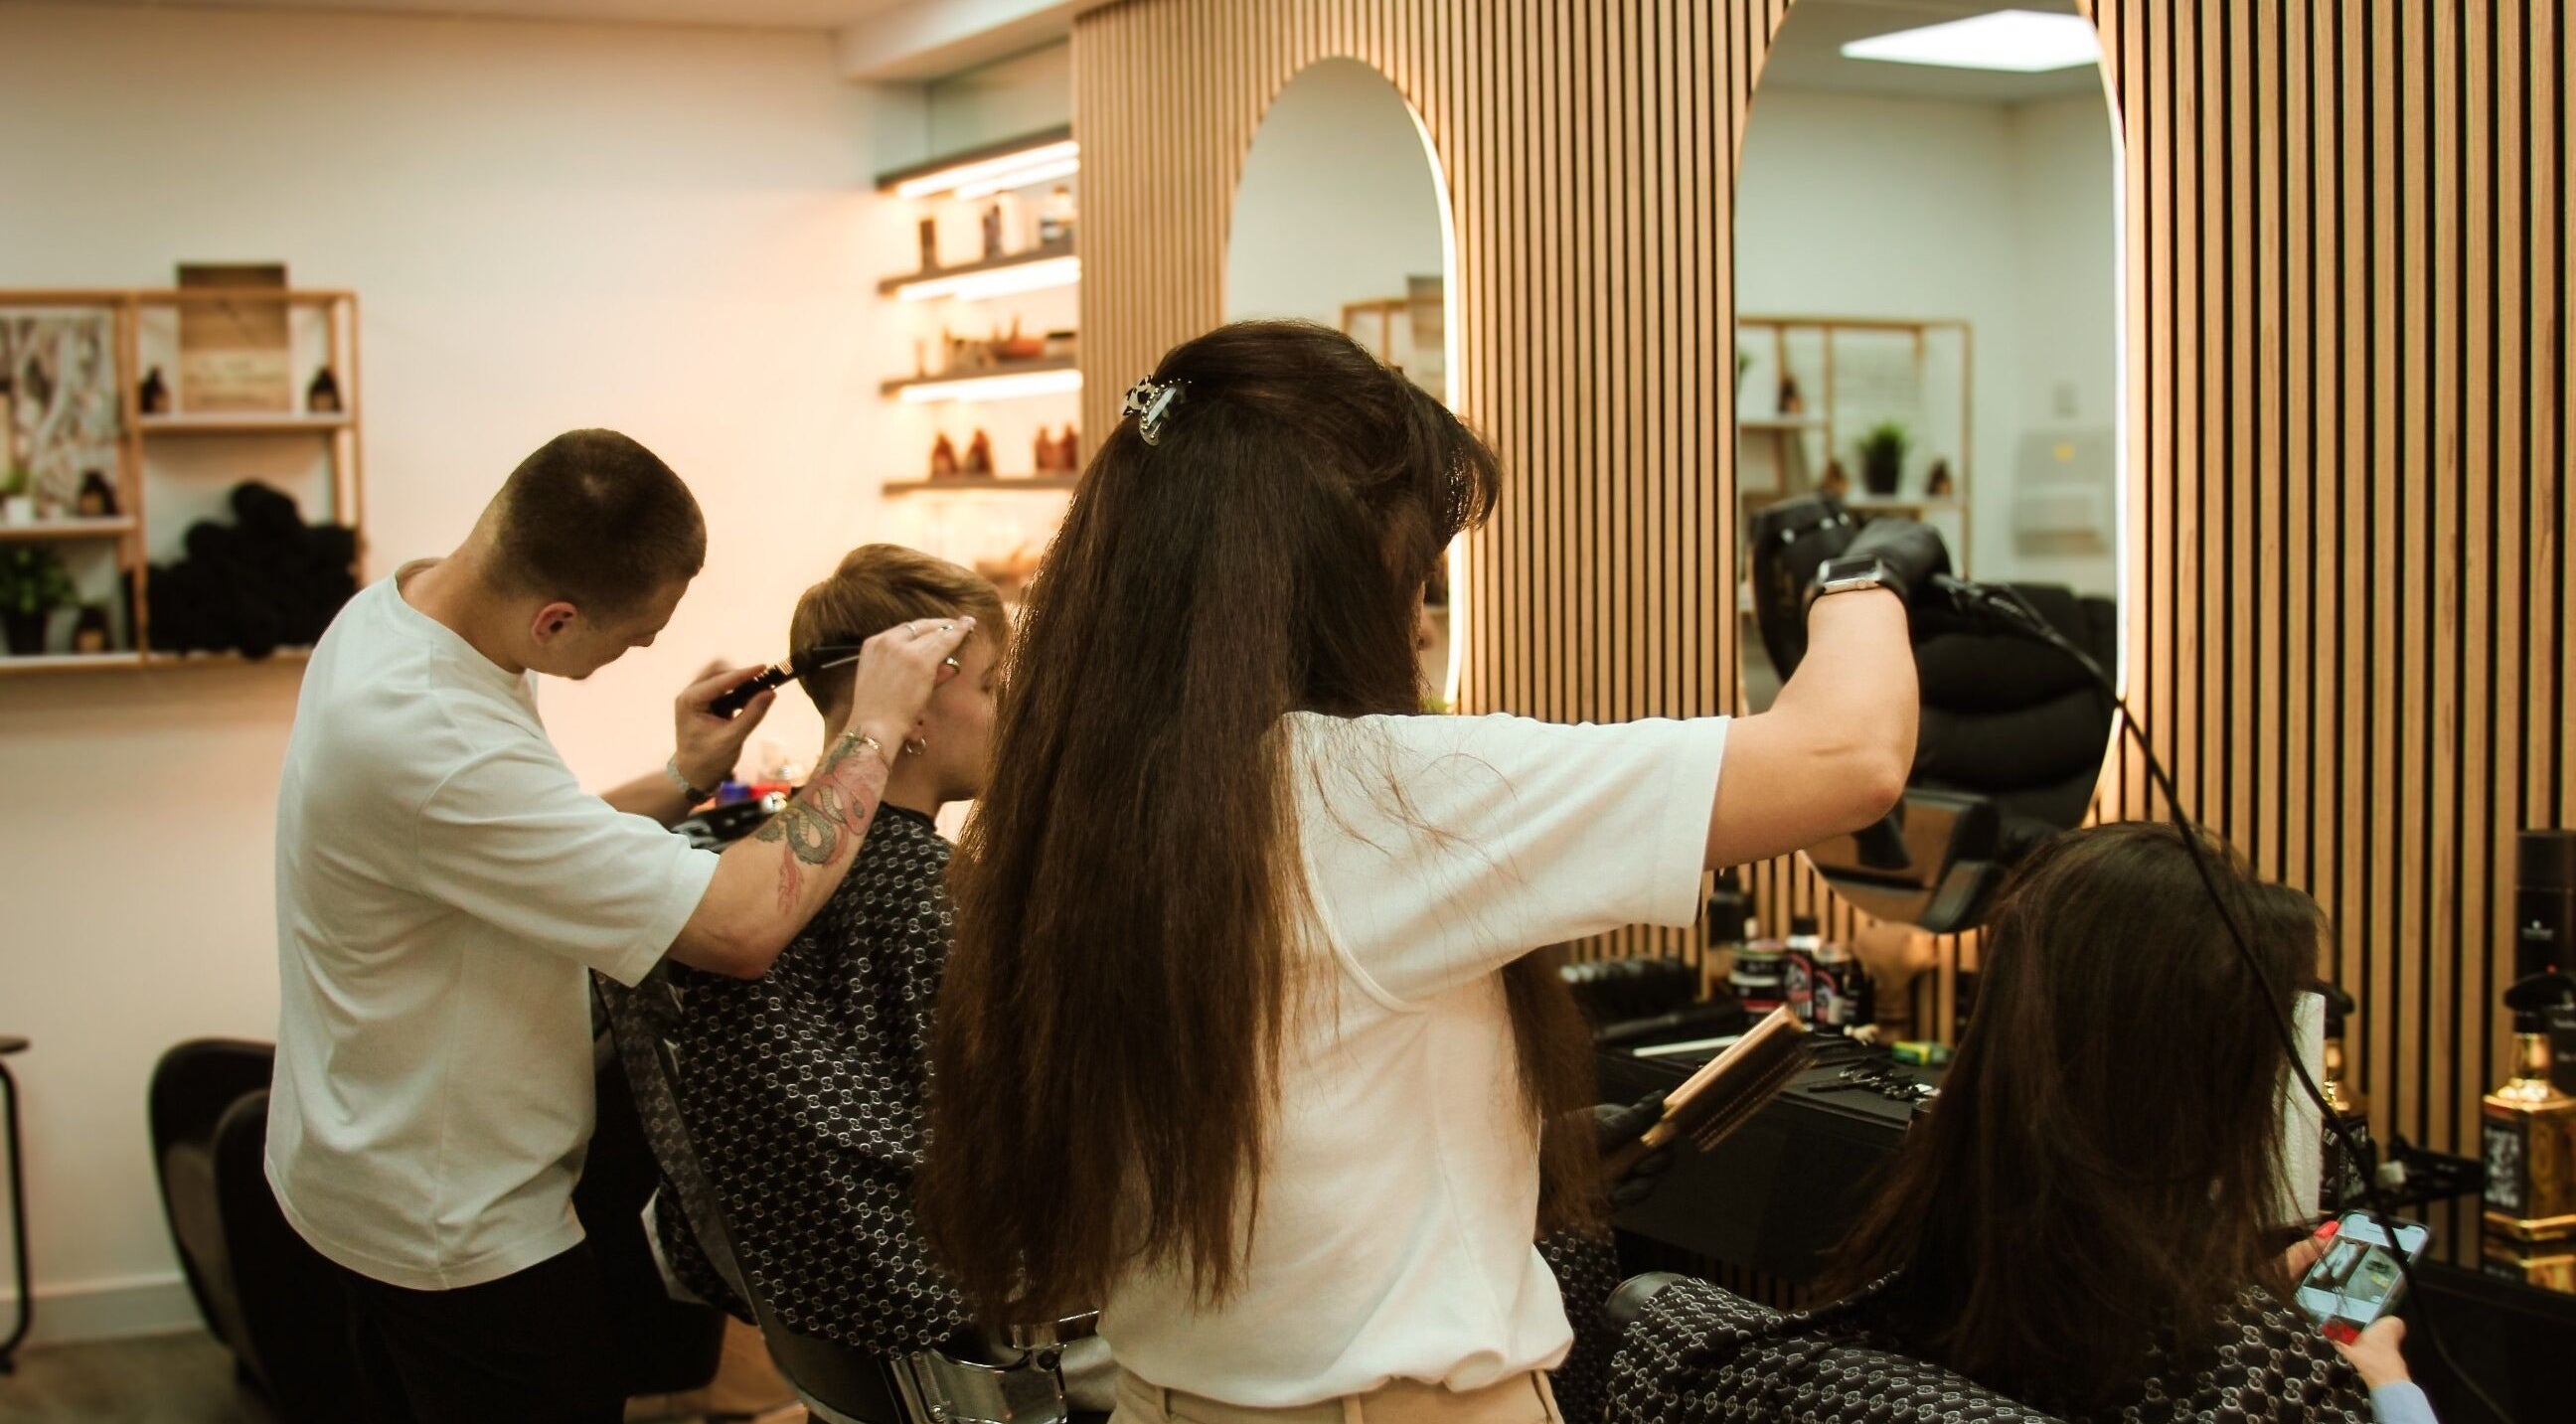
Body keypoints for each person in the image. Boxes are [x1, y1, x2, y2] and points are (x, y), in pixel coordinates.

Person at [921, 321, 1940, 1419]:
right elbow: (1849, 758)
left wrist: (1508, 1146)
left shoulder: (1081, 806)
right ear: (1328, 577)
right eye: (1415, 574)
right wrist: (1857, 575)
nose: (1420, 617)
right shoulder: (1372, 791)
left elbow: (1275, 1117)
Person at [265, 430, 971, 1424]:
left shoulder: (409, 613)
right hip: (446, 1218)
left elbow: (504, 839)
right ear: (555, 618)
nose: (635, 653)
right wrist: (875, 727)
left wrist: (687, 775)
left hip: (356, 1154)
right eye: (630, 639)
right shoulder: (422, 728)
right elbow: (737, 925)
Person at [1817, 821, 2433, 1423]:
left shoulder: (1895, 1272)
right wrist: (2387, 1388)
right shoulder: (2280, 1384)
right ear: (2204, 1093)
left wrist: (2218, 1291)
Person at [633, 545, 1004, 1356]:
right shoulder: (934, 900)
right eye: (988, 685)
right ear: (917, 703)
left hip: (832, 1338)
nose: (1006, 709)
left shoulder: (733, 871)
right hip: (960, 1331)